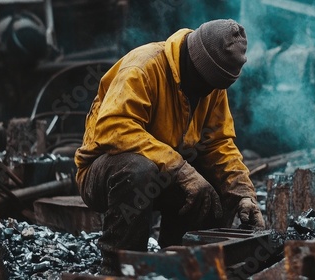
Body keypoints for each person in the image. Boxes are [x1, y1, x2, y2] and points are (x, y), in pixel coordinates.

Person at [74, 19, 265, 275]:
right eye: (209, 85)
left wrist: (243, 194)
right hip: (106, 174)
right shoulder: (143, 67)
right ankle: (119, 269)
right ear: (196, 67)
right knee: (139, 170)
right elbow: (112, 128)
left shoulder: (211, 85)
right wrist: (181, 170)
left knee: (216, 188)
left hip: (163, 173)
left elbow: (219, 143)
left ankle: (175, 266)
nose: (211, 93)